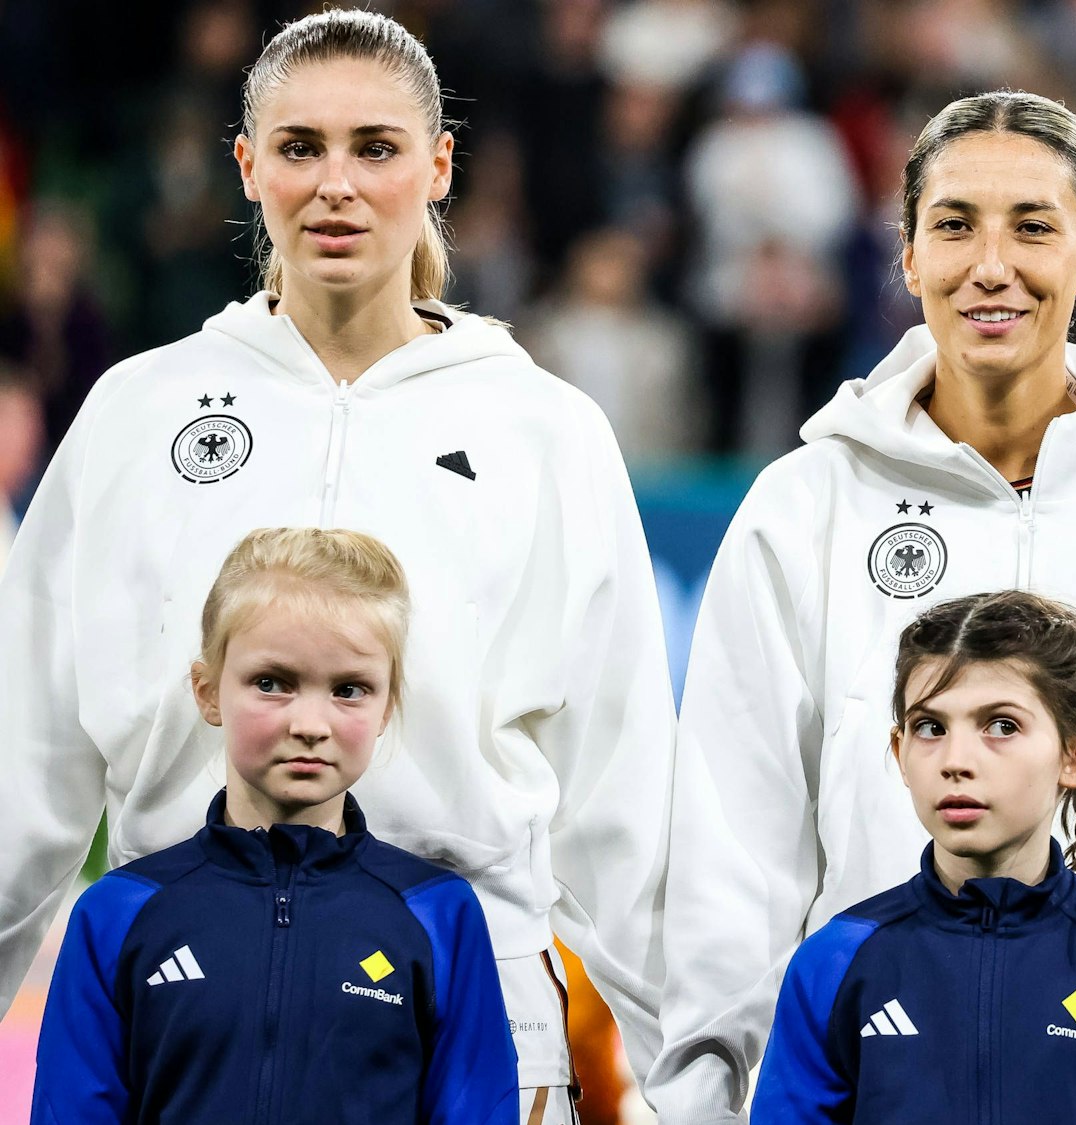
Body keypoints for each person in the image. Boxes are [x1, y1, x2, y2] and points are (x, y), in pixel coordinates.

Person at [0, 12, 677, 1123]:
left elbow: (628, 803)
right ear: (247, 165)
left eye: (376, 147)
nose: (336, 185)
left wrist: (698, 1087)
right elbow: (24, 769)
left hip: (478, 1036)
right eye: (300, 147)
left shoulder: (542, 429)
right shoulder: (138, 413)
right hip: (183, 1014)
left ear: (439, 165)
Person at [654, 90, 1076, 1122]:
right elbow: (731, 864)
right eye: (954, 226)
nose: (990, 266)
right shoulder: (803, 508)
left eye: (1031, 227)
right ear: (906, 256)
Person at [30, 527, 517, 1124]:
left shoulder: (439, 915)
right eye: (272, 683)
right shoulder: (118, 914)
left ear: (386, 707)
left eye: (349, 690)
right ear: (208, 692)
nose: (310, 724)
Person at [752, 590, 1076, 1123]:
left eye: (1002, 725)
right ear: (900, 753)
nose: (956, 761)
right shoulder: (834, 962)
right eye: (930, 727)